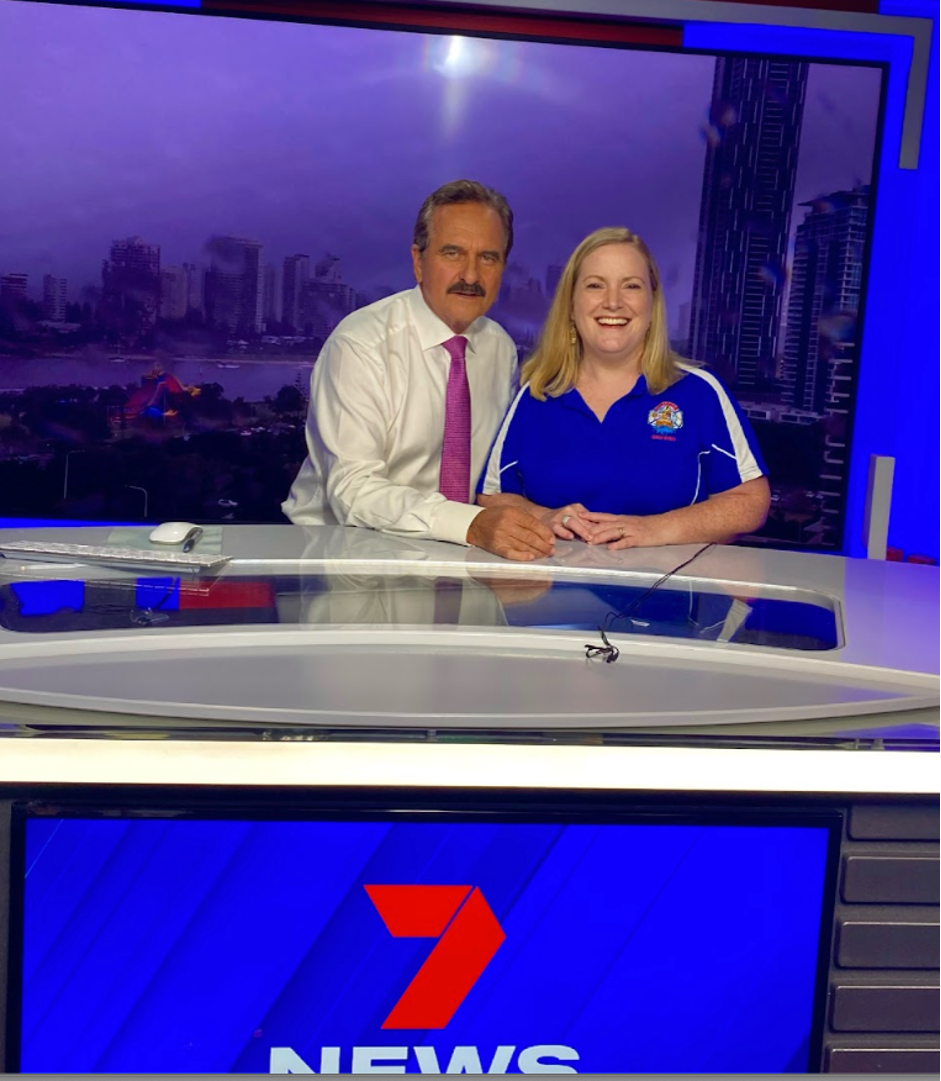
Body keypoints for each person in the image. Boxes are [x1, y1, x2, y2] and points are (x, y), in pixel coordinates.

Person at [282, 179, 554, 562]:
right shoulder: (360, 345)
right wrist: (469, 525)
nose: (471, 276)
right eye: (453, 253)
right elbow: (353, 491)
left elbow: (493, 476)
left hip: (461, 557)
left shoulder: (500, 349)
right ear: (418, 261)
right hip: (344, 557)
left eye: (488, 258)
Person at [479, 226, 771, 549]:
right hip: (550, 595)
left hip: (669, 594)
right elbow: (492, 498)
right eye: (595, 286)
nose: (613, 302)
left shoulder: (700, 393)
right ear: (571, 306)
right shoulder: (535, 396)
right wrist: (542, 516)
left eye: (631, 286)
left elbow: (751, 501)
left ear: (652, 302)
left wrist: (654, 530)